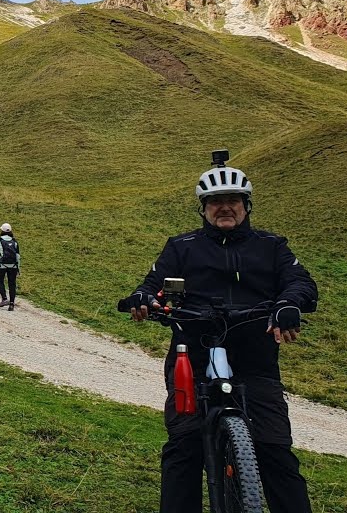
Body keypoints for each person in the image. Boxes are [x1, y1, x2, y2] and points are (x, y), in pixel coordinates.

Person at [125, 154, 318, 513]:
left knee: (275, 451)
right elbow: (152, 284)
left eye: (233, 201)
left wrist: (289, 304)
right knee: (184, 446)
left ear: (246, 206)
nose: (224, 208)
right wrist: (144, 298)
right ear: (204, 209)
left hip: (254, 356)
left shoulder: (271, 246)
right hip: (192, 354)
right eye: (216, 202)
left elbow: (299, 282)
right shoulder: (181, 247)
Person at [0, 223, 20, 311]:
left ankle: (4, 299)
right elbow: (18, 256)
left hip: (1, 265)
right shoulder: (14, 241)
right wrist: (18, 268)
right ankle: (12, 304)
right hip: (13, 266)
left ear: (2, 231)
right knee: (12, 284)